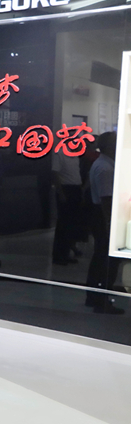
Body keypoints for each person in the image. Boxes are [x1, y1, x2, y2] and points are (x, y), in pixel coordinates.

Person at [85, 131, 123, 314]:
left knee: (100, 258)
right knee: (107, 261)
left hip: (101, 216)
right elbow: (106, 199)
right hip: (103, 217)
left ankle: (94, 296)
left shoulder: (104, 164)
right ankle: (101, 299)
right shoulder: (105, 168)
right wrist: (111, 225)